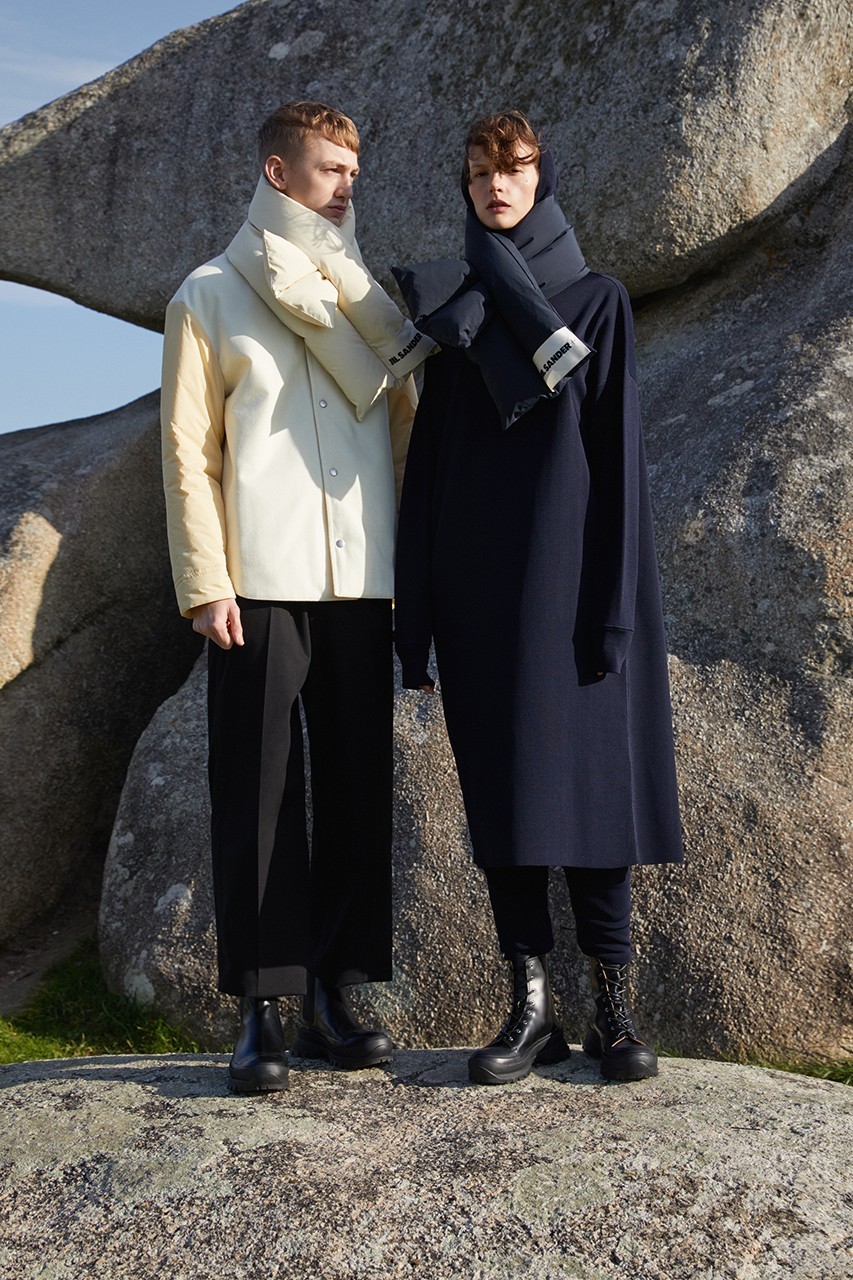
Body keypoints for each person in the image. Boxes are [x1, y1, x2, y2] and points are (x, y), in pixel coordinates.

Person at [392, 110, 683, 1085]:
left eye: (511, 168)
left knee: (593, 798)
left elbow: (619, 460)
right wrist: (415, 619)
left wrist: (613, 605)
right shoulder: (454, 310)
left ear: (540, 178)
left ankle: (612, 1007)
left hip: (573, 592)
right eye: (478, 171)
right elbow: (428, 472)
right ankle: (531, 1010)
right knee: (504, 804)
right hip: (478, 597)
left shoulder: (597, 304)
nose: (494, 185)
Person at [161, 102, 431, 1093]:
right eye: (329, 167)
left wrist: (410, 571)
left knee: (359, 787)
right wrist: (205, 583)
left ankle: (335, 995)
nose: (347, 184)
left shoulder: (368, 302)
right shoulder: (207, 294)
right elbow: (188, 454)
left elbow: (403, 438)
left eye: (354, 168)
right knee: (258, 792)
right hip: (255, 587)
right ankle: (263, 1009)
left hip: (361, 583)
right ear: (277, 174)